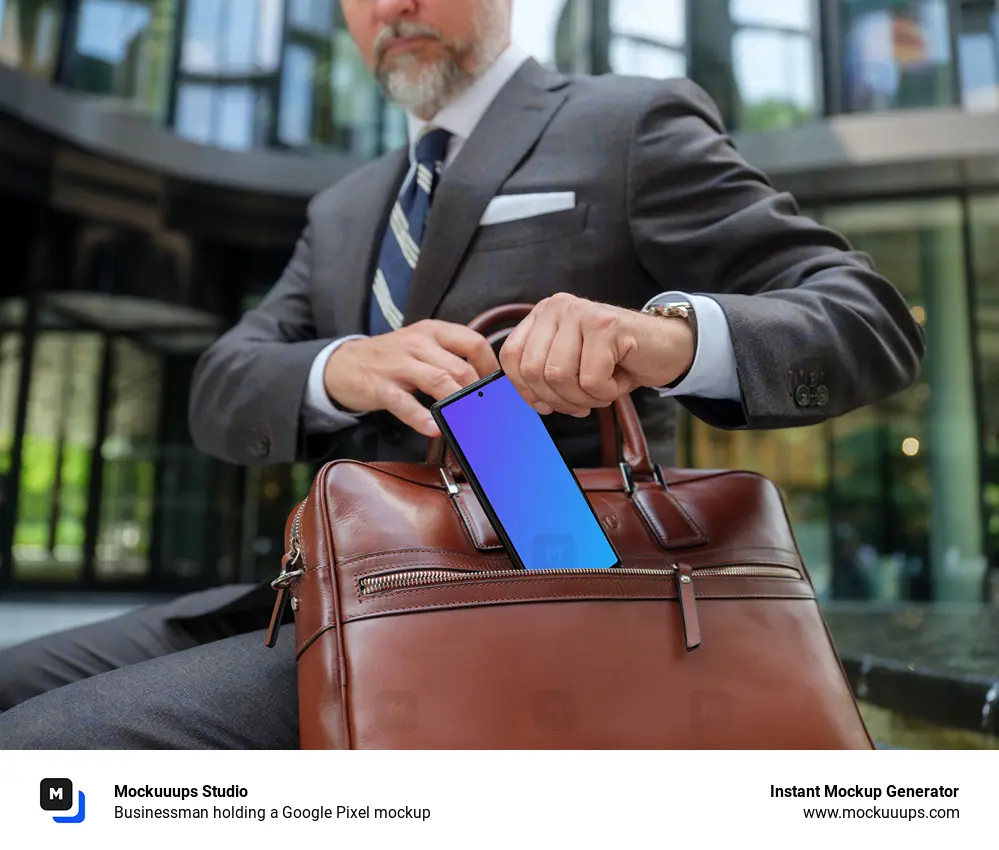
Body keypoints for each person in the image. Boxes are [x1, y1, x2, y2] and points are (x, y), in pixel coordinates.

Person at [0, 0, 924, 749]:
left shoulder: (628, 123)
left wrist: (668, 335)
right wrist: (339, 367)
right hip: (325, 588)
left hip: (552, 593)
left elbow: (867, 318)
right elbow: (220, 387)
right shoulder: (343, 208)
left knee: (48, 752)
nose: (391, 6)